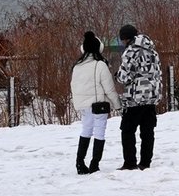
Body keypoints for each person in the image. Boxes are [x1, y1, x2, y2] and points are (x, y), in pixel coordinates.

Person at [70, 30, 121, 174]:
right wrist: (118, 105)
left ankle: (80, 162)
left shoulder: (77, 66)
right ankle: (94, 164)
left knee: (86, 130)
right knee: (99, 132)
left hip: (83, 105)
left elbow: (74, 86)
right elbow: (109, 89)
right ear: (99, 48)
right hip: (98, 105)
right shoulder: (100, 65)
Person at [115, 23, 163, 170]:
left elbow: (124, 77)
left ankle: (130, 163)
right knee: (147, 132)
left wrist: (117, 75)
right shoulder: (153, 51)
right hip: (151, 97)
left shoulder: (131, 52)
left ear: (126, 39)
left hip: (135, 99)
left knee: (127, 131)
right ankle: (145, 163)